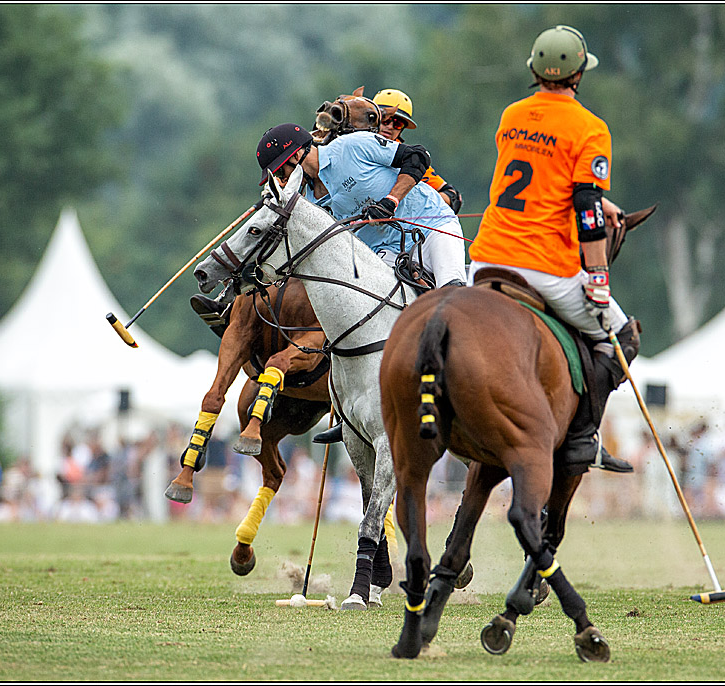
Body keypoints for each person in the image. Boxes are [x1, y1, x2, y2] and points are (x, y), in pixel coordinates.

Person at [466, 25, 638, 474]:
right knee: (622, 336)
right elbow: (584, 205)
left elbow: (542, 175)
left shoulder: (512, 116)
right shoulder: (590, 128)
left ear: (535, 71)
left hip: (484, 258)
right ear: (578, 73)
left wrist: (599, 198)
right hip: (544, 268)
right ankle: (582, 437)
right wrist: (598, 275)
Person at [257, 121, 468, 289]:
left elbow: (418, 156)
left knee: (451, 295)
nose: (282, 182)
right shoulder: (310, 201)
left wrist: (391, 200)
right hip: (386, 255)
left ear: (295, 155)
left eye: (279, 173)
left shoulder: (351, 146)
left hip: (431, 230)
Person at [371, 88, 463, 213]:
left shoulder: (409, 159)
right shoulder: (355, 143)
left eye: (397, 124)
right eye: (385, 120)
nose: (390, 127)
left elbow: (453, 197)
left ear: (402, 129)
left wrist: (414, 197)